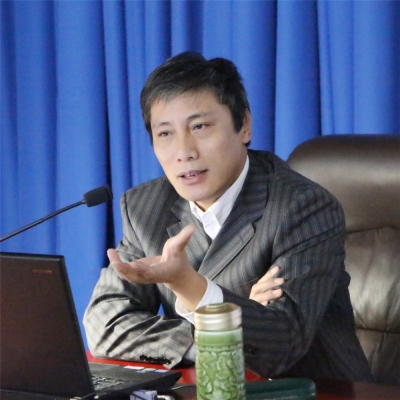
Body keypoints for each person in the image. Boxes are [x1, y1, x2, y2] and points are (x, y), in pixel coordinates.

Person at [83, 52, 373, 382]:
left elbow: (281, 346)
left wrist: (189, 285)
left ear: (244, 125)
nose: (184, 152)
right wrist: (217, 332)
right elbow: (105, 324)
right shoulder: (145, 207)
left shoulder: (302, 207)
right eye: (165, 134)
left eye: (200, 127)